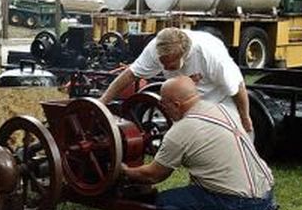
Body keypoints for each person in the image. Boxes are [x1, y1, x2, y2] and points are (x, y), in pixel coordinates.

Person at [121, 76, 277, 210]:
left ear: (176, 105)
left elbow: (153, 175)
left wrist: (124, 170)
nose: (162, 108)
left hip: (240, 204)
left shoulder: (182, 131)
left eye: (164, 104)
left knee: (166, 203)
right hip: (266, 195)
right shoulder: (222, 109)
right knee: (203, 189)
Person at [99, 27, 253, 134]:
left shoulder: (209, 54)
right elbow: (130, 75)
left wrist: (245, 117)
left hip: (219, 100)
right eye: (162, 63)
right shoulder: (155, 48)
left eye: (170, 64)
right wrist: (102, 102)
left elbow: (238, 86)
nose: (165, 67)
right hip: (186, 103)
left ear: (184, 55)